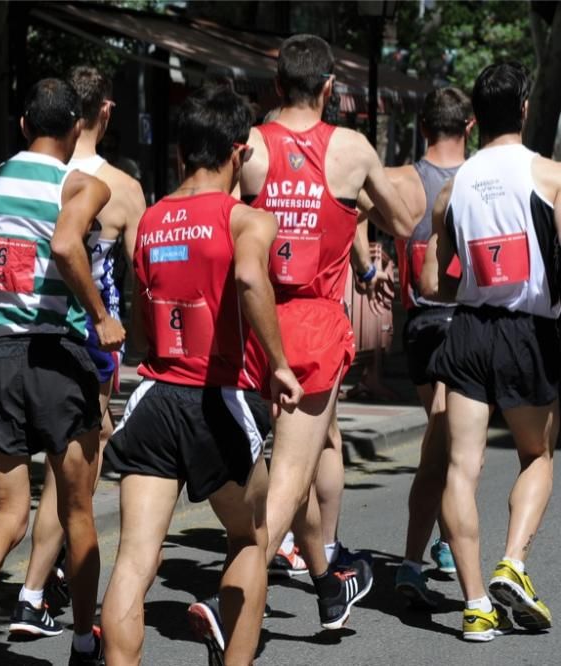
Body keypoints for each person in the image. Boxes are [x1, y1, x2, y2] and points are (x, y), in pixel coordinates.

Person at [101, 83, 302, 666]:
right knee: (250, 536)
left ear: (182, 152)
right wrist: (282, 364)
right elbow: (247, 280)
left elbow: (141, 327)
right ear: (239, 153)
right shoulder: (248, 221)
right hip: (217, 400)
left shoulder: (153, 221)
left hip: (155, 396)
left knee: (136, 557)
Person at [238, 34, 414, 629]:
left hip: (251, 321)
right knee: (293, 473)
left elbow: (219, 217)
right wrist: (355, 207)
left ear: (278, 85)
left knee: (300, 462)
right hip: (312, 326)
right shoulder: (354, 150)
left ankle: (327, 583)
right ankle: (232, 595)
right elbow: (407, 220)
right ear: (331, 89)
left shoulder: (252, 147)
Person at [0, 78, 122, 666]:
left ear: (22, 126)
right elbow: (70, 248)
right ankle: (81, 640)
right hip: (55, 360)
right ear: (77, 130)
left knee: (8, 515)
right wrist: (101, 317)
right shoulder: (82, 183)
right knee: (76, 511)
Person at [423, 62, 560, 642]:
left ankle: (475, 604)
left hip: (469, 331)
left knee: (460, 468)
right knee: (538, 457)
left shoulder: (454, 187)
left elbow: (436, 281)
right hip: (529, 332)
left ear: (475, 117)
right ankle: (515, 563)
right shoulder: (549, 176)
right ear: (525, 109)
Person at [10, 65, 146, 638]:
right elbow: (142, 274)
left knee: (58, 474)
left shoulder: (38, 170)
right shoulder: (120, 186)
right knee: (74, 485)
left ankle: (39, 588)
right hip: (93, 335)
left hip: (25, 332)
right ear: (106, 112)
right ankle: (36, 594)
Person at [359, 87, 472, 606]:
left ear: (423, 126)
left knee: (443, 438)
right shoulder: (482, 179)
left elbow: (353, 204)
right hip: (467, 326)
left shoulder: (403, 180)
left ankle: (439, 548)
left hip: (422, 328)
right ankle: (423, 560)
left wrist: (365, 265)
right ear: (468, 126)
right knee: (449, 449)